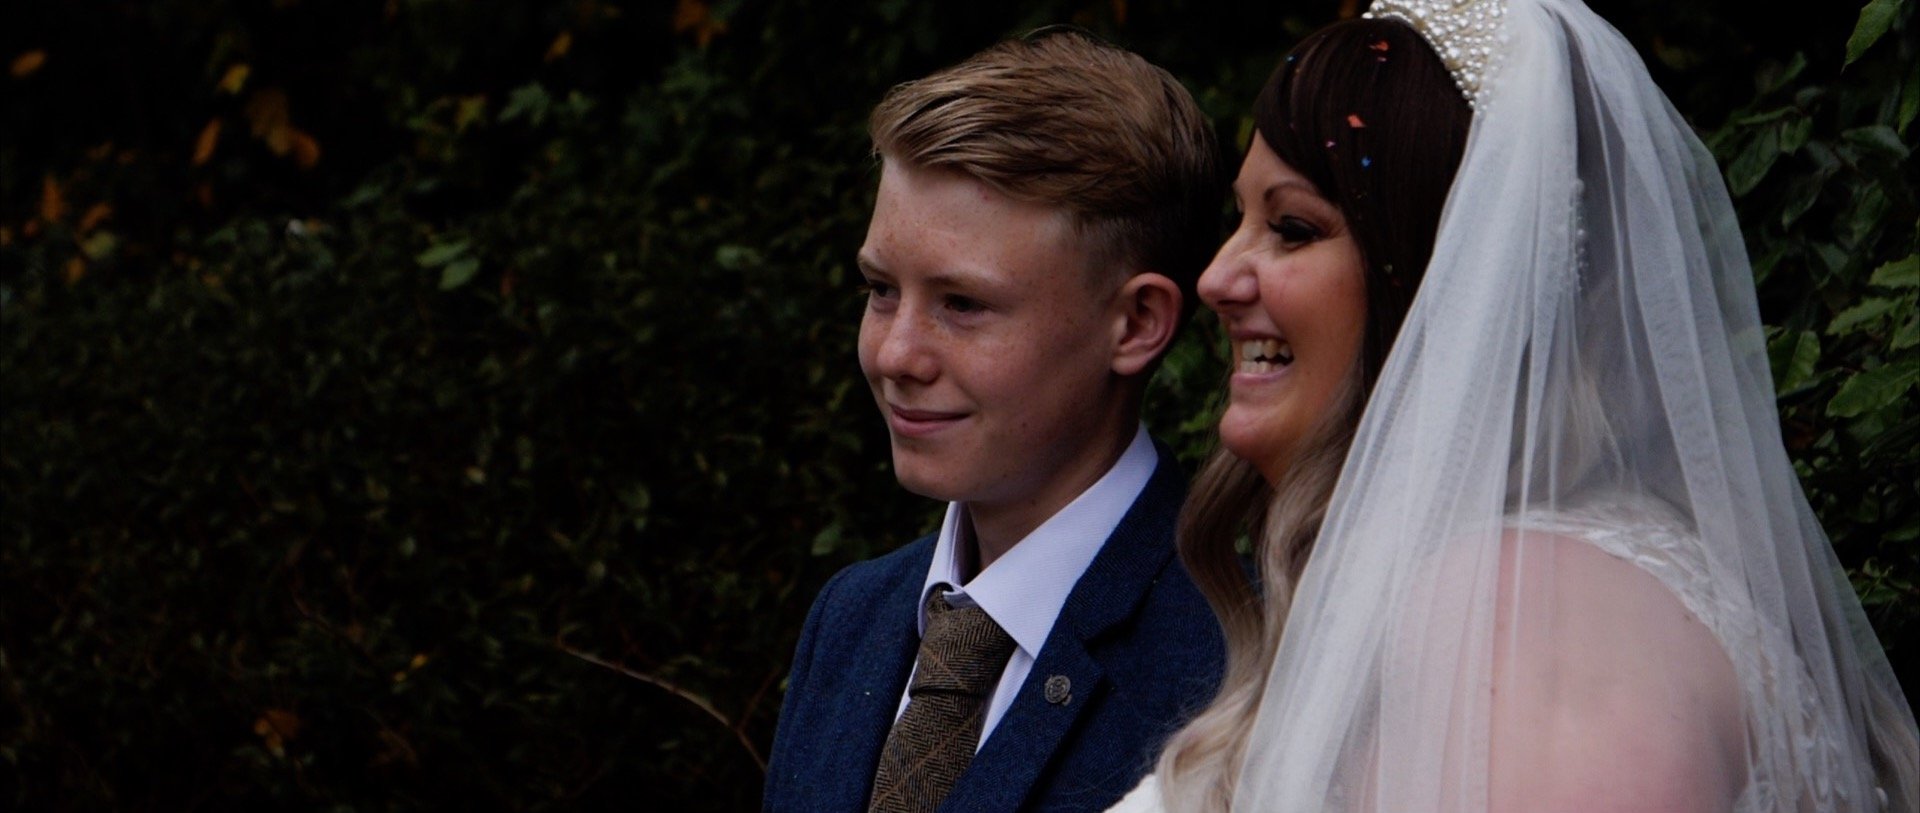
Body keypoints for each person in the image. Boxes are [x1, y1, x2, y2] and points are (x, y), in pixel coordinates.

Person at [1114, 0, 1920, 811]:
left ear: (1459, 281)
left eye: (1291, 227)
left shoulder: (1524, 625)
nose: (1217, 278)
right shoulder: (1529, 581)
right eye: (1240, 220)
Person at [763, 28, 1228, 813]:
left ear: (1138, 322)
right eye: (880, 289)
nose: (896, 353)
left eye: (964, 304)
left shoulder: (1230, 658)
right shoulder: (850, 617)